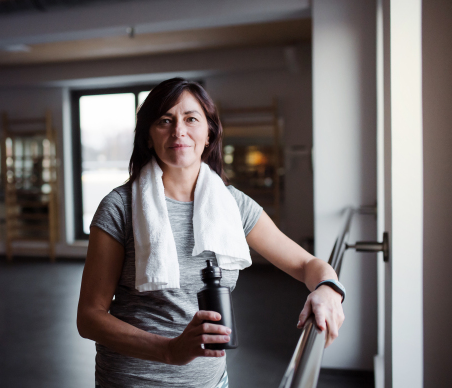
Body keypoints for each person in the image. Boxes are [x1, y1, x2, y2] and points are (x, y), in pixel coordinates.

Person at [77, 78, 345, 388]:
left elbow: (306, 264)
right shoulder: (118, 207)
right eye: (165, 120)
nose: (179, 130)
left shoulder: (232, 205)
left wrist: (327, 288)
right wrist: (169, 350)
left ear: (208, 135)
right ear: (149, 137)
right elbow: (89, 316)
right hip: (134, 380)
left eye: (191, 119)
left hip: (211, 382)